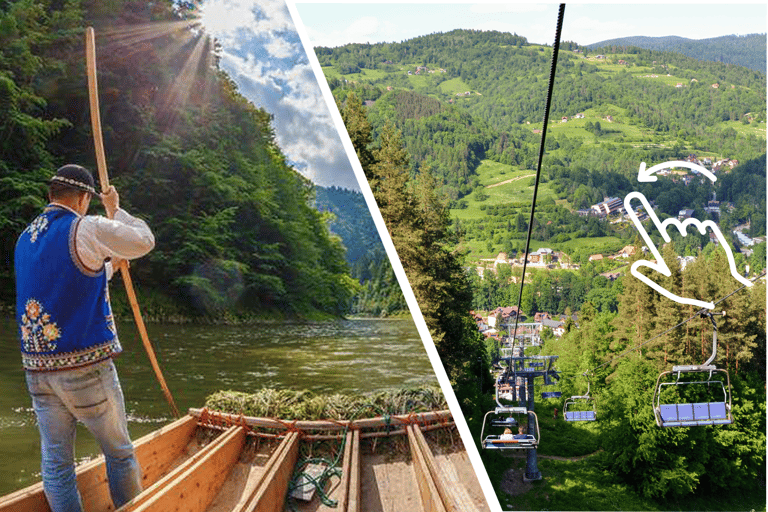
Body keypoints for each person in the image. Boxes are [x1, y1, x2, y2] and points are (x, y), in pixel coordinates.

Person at [15, 164, 155, 512]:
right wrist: (115, 209)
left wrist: (111, 267)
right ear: (82, 198)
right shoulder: (86, 226)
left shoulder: (25, 238)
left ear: (51, 194)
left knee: (57, 464)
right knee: (119, 453)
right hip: (85, 369)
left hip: (38, 374)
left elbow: (66, 285)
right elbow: (144, 240)